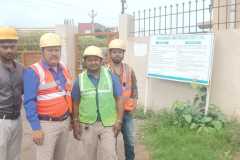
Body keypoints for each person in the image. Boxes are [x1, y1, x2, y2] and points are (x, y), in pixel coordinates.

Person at [23, 33, 72, 160]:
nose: (54, 53)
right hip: (46, 125)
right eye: (50, 50)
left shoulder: (63, 68)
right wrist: (36, 128)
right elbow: (29, 102)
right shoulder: (33, 71)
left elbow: (67, 93)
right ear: (42, 51)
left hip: (65, 122)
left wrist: (72, 117)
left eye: (57, 50)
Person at [72, 45, 124, 160]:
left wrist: (119, 120)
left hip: (108, 124)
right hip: (87, 125)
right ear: (85, 61)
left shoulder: (111, 76)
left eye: (96, 59)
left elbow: (120, 98)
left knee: (110, 155)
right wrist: (75, 122)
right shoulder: (79, 79)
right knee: (88, 156)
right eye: (89, 60)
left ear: (101, 61)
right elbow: (75, 102)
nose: (93, 62)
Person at [108, 39, 138, 160]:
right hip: (111, 112)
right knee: (111, 143)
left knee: (130, 142)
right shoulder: (105, 70)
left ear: (123, 54)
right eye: (114, 52)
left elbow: (134, 87)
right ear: (110, 53)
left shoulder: (129, 69)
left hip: (126, 112)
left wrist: (134, 101)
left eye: (120, 52)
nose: (117, 54)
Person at [0, 26, 24, 160]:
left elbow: (27, 92)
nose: (9, 50)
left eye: (12, 46)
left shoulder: (20, 68)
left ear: (16, 47)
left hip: (17, 119)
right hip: (1, 121)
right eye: (4, 47)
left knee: (15, 156)